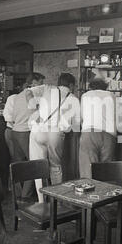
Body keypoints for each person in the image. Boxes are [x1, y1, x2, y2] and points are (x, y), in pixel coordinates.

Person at [26, 73, 80, 203]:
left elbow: (28, 92)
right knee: (55, 168)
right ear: (71, 85)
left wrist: (35, 111)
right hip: (56, 134)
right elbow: (77, 125)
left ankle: (41, 202)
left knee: (38, 167)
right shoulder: (74, 99)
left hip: (38, 130)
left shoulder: (47, 89)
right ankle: (57, 202)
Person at [3, 73, 45, 202]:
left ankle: (18, 194)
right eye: (40, 82)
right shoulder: (32, 94)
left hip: (15, 131)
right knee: (34, 164)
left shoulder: (18, 96)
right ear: (33, 82)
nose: (42, 86)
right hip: (25, 132)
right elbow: (38, 113)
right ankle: (26, 196)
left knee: (18, 164)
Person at [79, 78, 117, 178]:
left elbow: (82, 117)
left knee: (88, 168)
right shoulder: (111, 95)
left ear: (90, 87)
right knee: (106, 169)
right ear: (105, 87)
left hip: (89, 133)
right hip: (109, 134)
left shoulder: (85, 95)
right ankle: (106, 192)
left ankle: (88, 192)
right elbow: (118, 115)